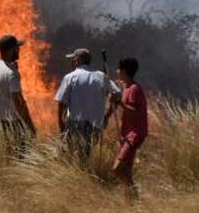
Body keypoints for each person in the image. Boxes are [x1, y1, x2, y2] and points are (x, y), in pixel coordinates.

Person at [54, 48, 117, 161]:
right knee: (86, 155)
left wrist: (61, 124)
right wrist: (107, 116)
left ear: (77, 60)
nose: (71, 62)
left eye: (72, 59)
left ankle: (76, 176)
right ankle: (84, 175)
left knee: (71, 156)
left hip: (75, 124)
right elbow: (116, 94)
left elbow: (61, 103)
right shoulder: (101, 76)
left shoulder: (70, 77)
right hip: (95, 125)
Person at [0, 34, 36, 149]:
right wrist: (30, 126)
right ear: (10, 50)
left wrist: (12, 69)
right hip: (6, 122)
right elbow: (19, 103)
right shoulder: (11, 74)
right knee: (20, 155)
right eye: (17, 48)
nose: (19, 50)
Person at [105, 56, 147, 198]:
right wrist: (108, 114)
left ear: (124, 71)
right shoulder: (126, 87)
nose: (117, 72)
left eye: (119, 70)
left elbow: (134, 111)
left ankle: (134, 193)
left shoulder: (135, 89)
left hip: (135, 134)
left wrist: (120, 103)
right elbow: (118, 103)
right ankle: (131, 201)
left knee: (117, 169)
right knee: (126, 169)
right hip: (127, 133)